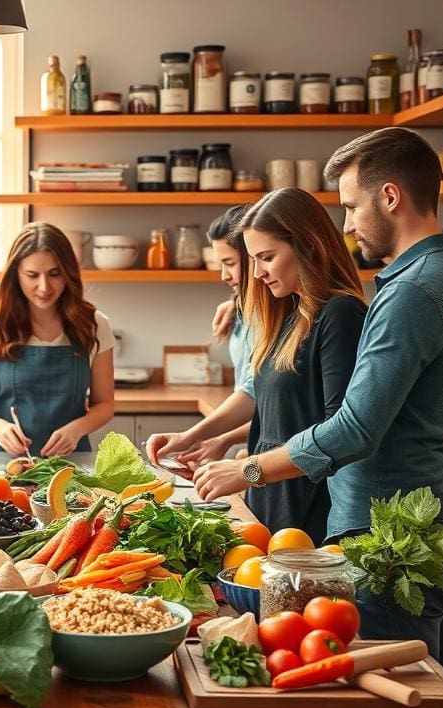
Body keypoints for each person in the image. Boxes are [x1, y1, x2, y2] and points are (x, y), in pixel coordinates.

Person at [192, 128, 443, 708]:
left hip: (388, 530)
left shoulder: (409, 292)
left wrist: (248, 469)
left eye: (351, 206)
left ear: (390, 195)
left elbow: (354, 427)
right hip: (427, 521)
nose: (346, 223)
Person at [147, 188, 367, 544]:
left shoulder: (341, 314)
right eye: (252, 260)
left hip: (310, 509)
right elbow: (259, 398)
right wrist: (190, 437)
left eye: (266, 257)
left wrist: (246, 470)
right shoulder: (288, 311)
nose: (258, 273)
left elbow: (337, 436)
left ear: (308, 246)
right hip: (270, 497)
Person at [0, 222, 115, 456]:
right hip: (5, 463)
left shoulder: (95, 325)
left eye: (55, 274)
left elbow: (105, 404)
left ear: (68, 273)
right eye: (32, 275)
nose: (44, 286)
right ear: (16, 274)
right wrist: (0, 428)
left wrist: (77, 429)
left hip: (72, 461)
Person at [177, 205, 254, 470]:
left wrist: (219, 438)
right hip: (255, 449)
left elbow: (261, 399)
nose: (224, 276)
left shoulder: (284, 318)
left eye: (230, 263)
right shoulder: (241, 308)